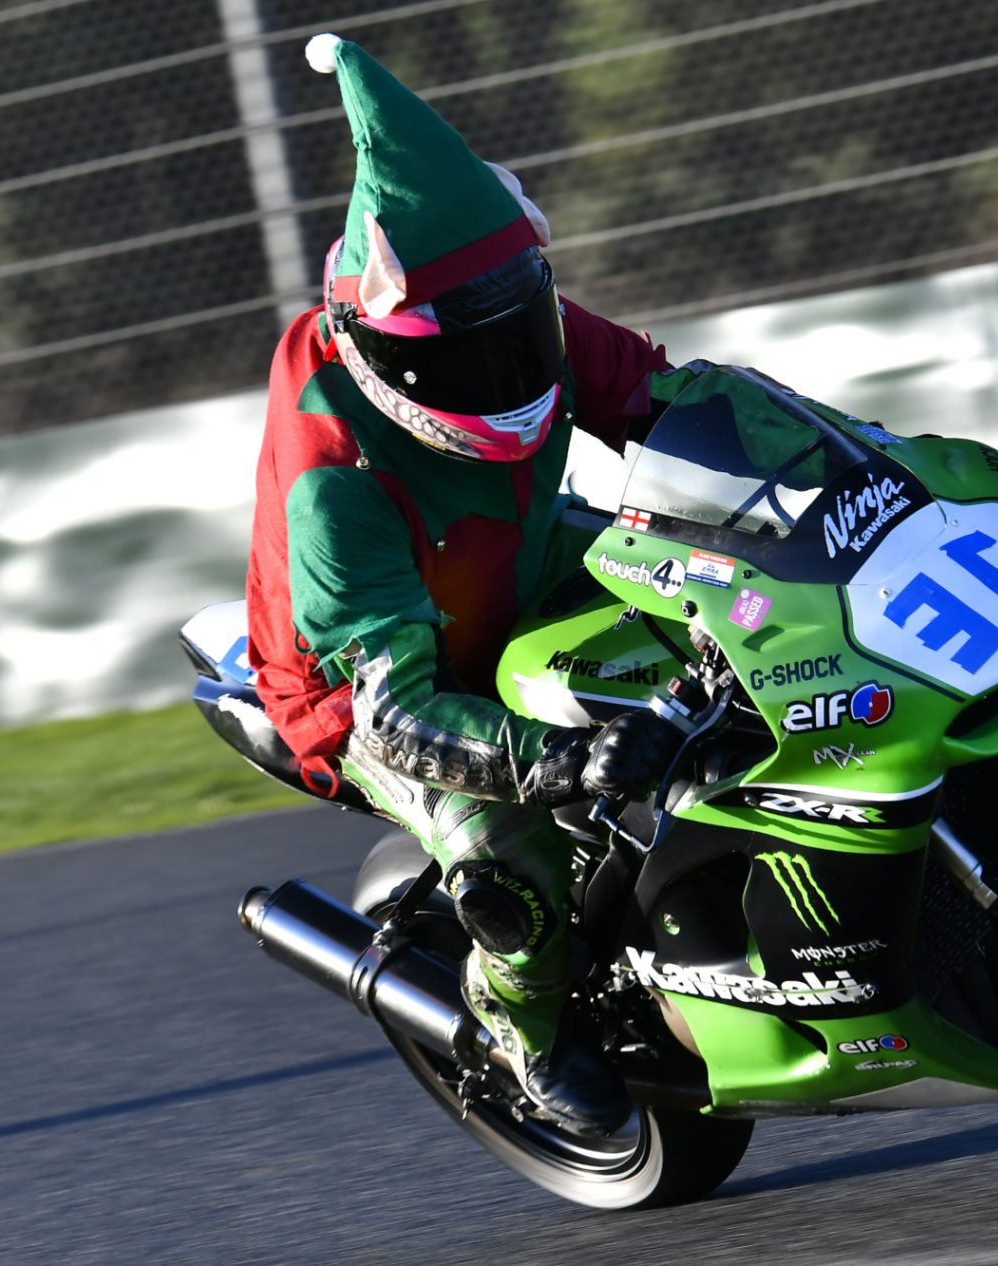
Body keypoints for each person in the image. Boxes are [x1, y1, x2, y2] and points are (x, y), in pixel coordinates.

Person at [245, 33, 682, 1134]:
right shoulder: (334, 482)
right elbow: (398, 717)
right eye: (461, 365)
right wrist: (568, 760)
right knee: (510, 861)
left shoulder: (506, 319)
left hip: (518, 561)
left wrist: (850, 461)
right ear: (371, 344)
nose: (503, 376)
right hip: (373, 673)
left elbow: (685, 408)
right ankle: (527, 1034)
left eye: (514, 333)